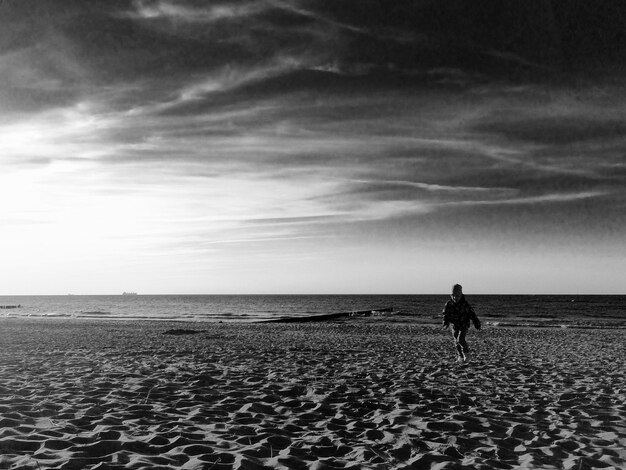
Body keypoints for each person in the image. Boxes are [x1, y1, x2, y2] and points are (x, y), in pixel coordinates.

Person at [442, 284, 481, 362]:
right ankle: (460, 356)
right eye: (453, 296)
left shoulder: (465, 304)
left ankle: (467, 354)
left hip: (464, 324)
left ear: (461, 295)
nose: (455, 298)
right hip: (454, 325)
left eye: (457, 296)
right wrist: (445, 323)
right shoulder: (449, 304)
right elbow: (446, 314)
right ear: (451, 295)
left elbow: (472, 314)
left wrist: (476, 323)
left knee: (460, 339)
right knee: (456, 341)